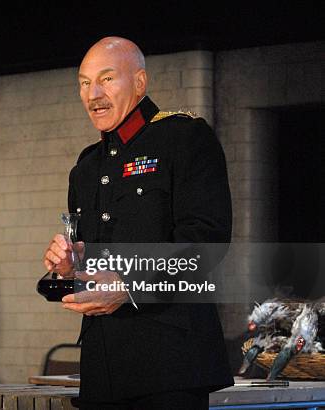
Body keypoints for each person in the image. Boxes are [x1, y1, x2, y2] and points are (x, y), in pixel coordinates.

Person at [43, 37, 233, 409]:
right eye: (84, 82)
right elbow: (92, 266)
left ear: (140, 83)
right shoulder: (86, 167)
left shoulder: (183, 136)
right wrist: (70, 267)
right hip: (104, 371)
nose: (92, 93)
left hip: (169, 366)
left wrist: (129, 285)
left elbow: (206, 243)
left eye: (107, 79)